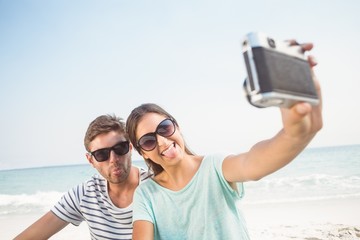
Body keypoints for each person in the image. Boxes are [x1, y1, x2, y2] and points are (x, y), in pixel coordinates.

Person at [125, 42, 323, 239]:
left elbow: (254, 163)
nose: (162, 141)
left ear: (177, 126)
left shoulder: (215, 167)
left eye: (165, 128)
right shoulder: (146, 194)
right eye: (148, 141)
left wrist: (293, 134)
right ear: (141, 152)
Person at [14, 114, 152, 240]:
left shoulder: (156, 186)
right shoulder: (85, 194)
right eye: (101, 154)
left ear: (130, 147)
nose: (113, 159)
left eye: (119, 148)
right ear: (90, 160)